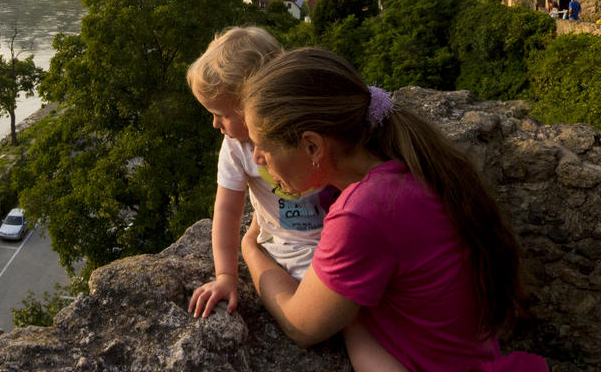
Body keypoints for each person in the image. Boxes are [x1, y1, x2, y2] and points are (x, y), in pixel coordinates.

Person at [239, 48, 548, 372]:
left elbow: (301, 324)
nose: (257, 157)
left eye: (263, 146)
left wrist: (250, 248)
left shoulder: (364, 213)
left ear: (313, 146)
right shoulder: (404, 163)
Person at [183, 28, 384, 367]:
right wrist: (226, 276)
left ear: (252, 103)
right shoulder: (235, 149)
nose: (215, 124)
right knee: (354, 320)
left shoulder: (306, 135)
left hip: (338, 243)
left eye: (221, 113)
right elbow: (227, 212)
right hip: (286, 250)